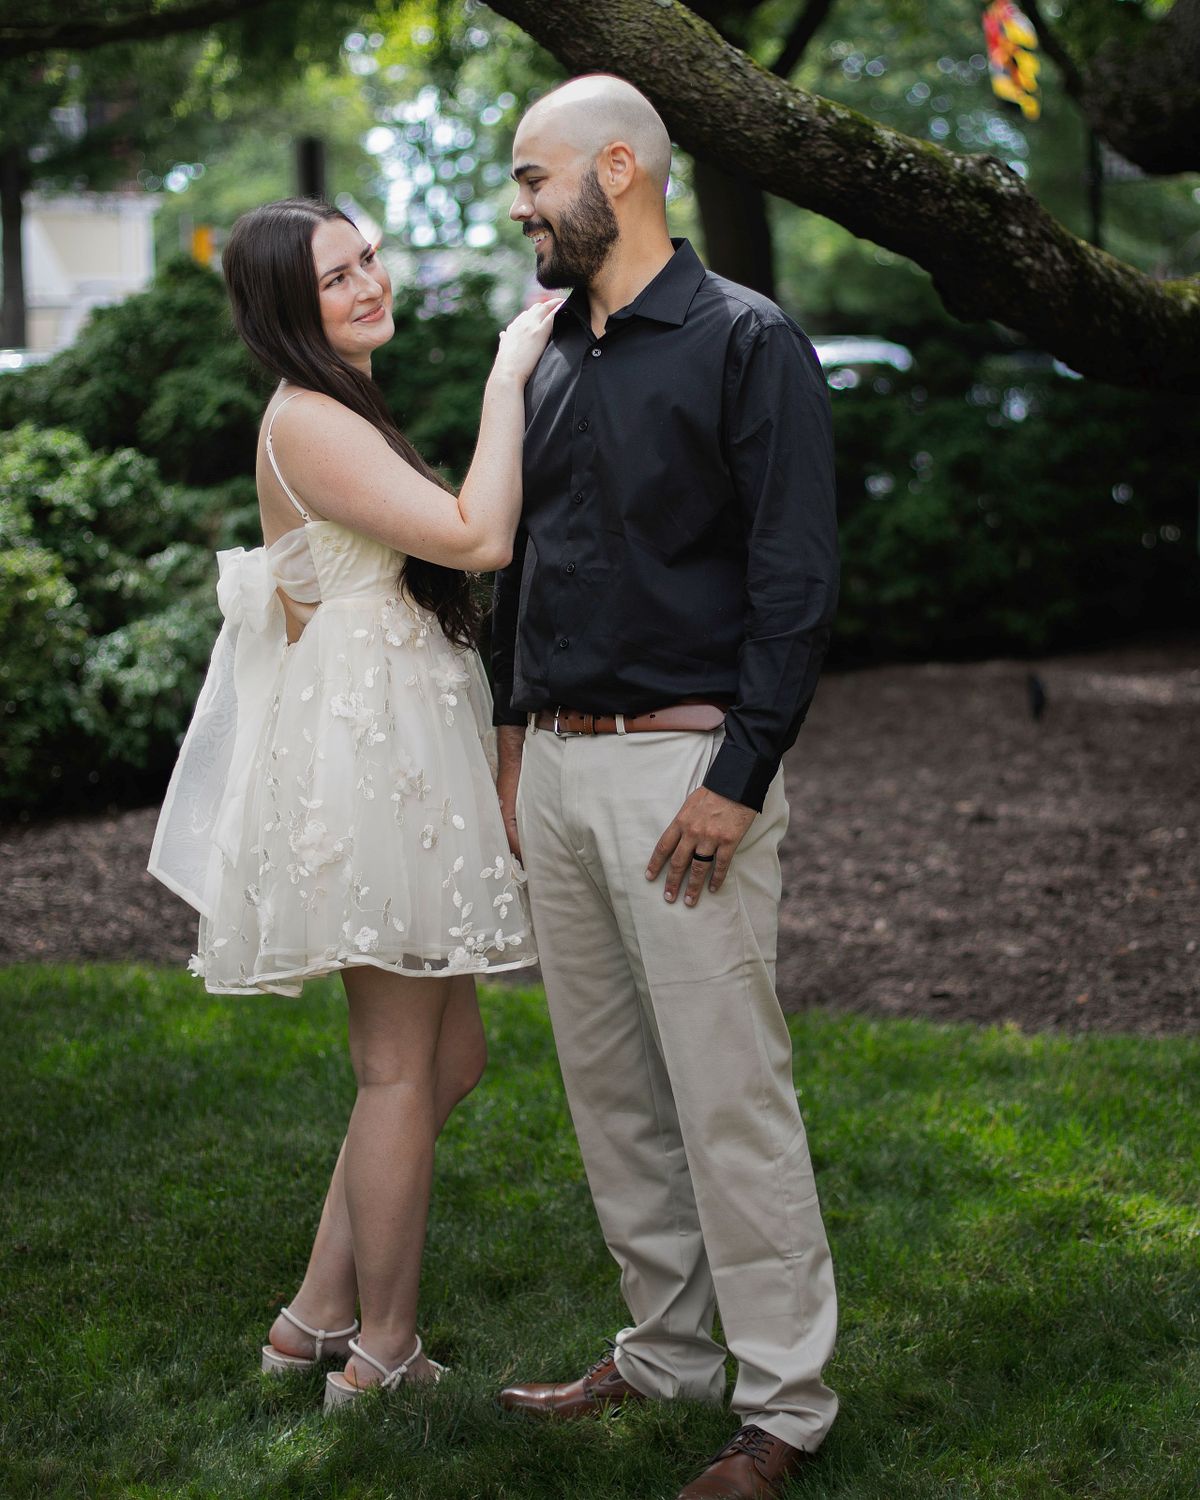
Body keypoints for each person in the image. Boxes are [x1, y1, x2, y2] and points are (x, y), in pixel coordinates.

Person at [491, 78, 840, 1500]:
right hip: (562, 771)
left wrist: (738, 775)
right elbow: (522, 560)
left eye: (531, 179)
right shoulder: (548, 353)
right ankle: (667, 1350)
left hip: (687, 773)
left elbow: (796, 576)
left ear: (617, 170)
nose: (517, 206)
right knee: (612, 1090)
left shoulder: (746, 340)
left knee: (728, 1098)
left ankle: (784, 1406)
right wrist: (519, 746)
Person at [148, 198, 557, 1412]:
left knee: (452, 1056)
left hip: (396, 749)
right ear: (290, 308)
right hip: (372, 769)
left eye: (370, 258)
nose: (370, 283)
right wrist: (510, 370)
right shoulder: (310, 421)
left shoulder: (337, 408)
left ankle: (313, 1318)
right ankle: (382, 1351)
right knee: (396, 1069)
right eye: (339, 276)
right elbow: (479, 535)